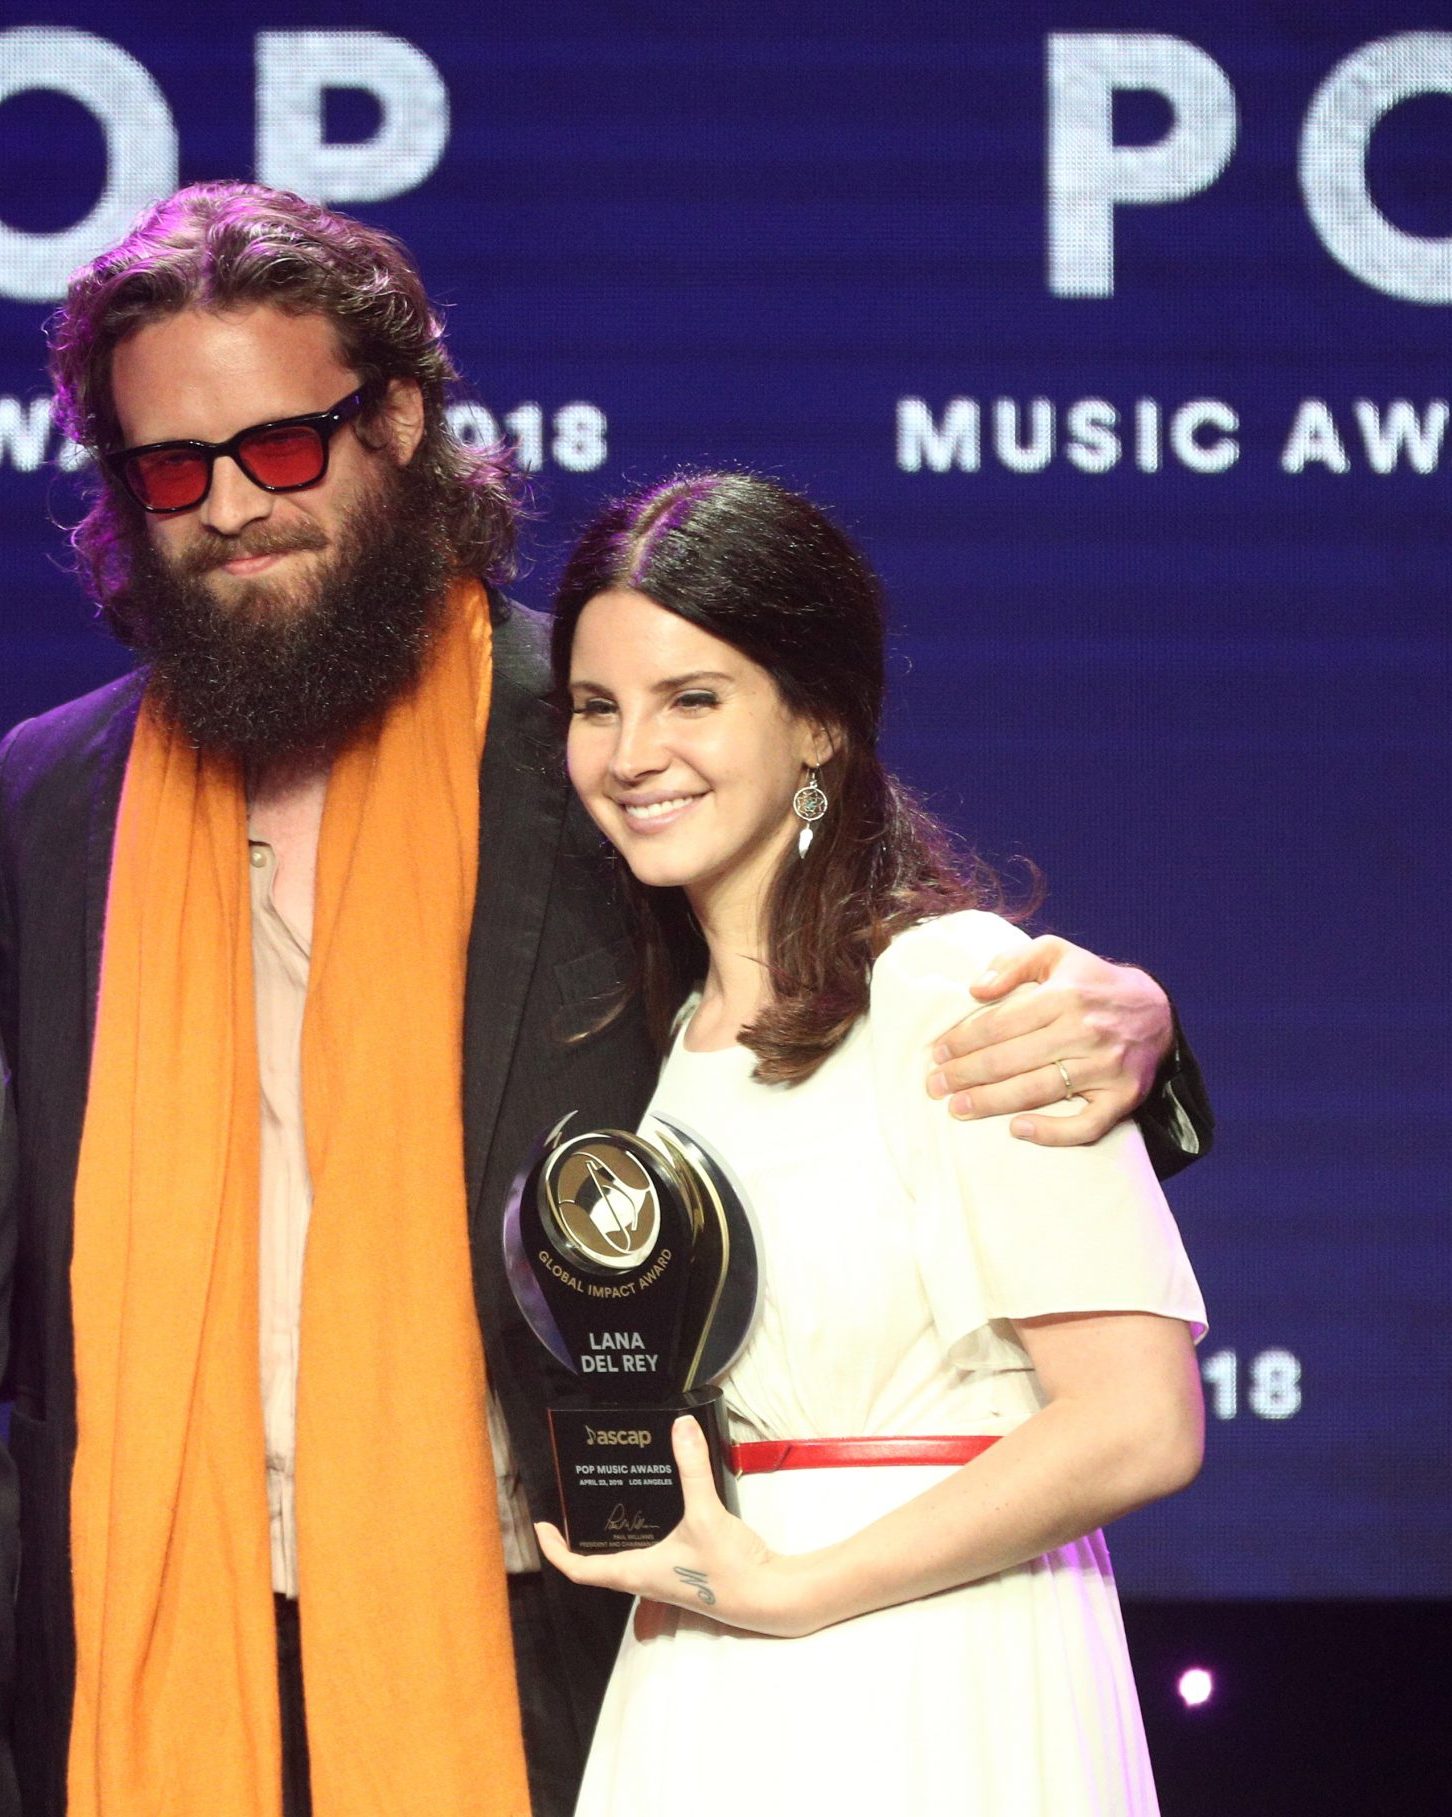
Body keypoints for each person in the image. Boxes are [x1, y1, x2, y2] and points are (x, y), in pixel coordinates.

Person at [0, 183, 1208, 1817]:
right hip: (152, 1644)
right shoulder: (50, 807)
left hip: (553, 1629)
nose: (231, 507)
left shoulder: (590, 736)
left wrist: (1132, 1024)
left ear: (398, 419)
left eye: (281, 448)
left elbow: (850, 965)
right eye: (170, 470)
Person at [538, 472, 1207, 1815]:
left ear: (822, 721)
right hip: (708, 1675)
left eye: (693, 698)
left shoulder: (955, 987)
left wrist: (790, 1589)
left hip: (923, 1675)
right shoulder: (667, 1052)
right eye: (597, 707)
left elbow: (1142, 1420)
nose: (631, 752)